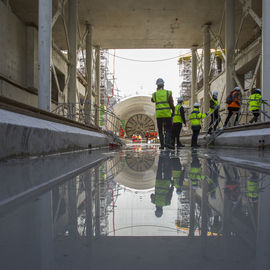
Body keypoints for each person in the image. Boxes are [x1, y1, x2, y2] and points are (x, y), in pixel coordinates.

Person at [151, 78, 175, 149]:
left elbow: (152, 100)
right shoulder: (168, 93)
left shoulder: (154, 94)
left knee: (160, 130)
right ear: (163, 85)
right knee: (168, 129)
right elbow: (171, 103)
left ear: (157, 86)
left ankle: (162, 145)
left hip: (159, 115)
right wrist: (173, 111)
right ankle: (167, 143)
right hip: (167, 114)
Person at [150, 152, 173, 217]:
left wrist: (172, 186)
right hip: (158, 182)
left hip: (166, 182)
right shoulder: (154, 201)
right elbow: (151, 195)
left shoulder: (167, 203)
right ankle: (161, 156)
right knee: (159, 168)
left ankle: (167, 155)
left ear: (162, 211)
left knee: (167, 169)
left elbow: (170, 193)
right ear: (156, 210)